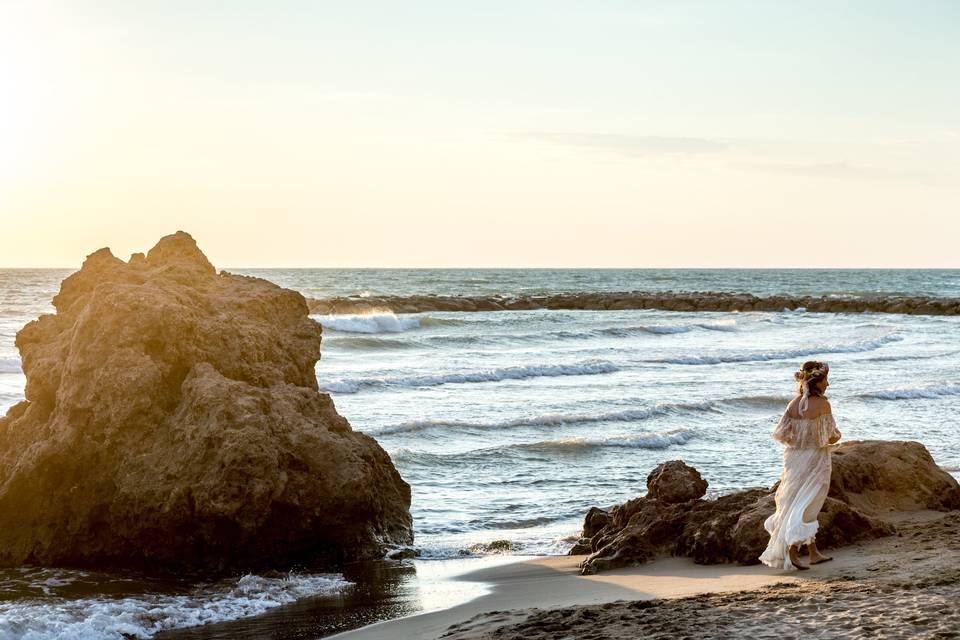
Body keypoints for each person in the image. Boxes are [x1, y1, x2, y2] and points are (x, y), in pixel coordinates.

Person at [759, 360, 841, 570]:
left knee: (795, 501)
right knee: (807, 504)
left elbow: (781, 434)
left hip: (794, 459)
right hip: (815, 459)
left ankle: (813, 553)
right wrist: (822, 437)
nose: (828, 385)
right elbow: (830, 438)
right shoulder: (823, 404)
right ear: (817, 382)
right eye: (825, 380)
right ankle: (792, 552)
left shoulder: (793, 404)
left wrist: (799, 442)